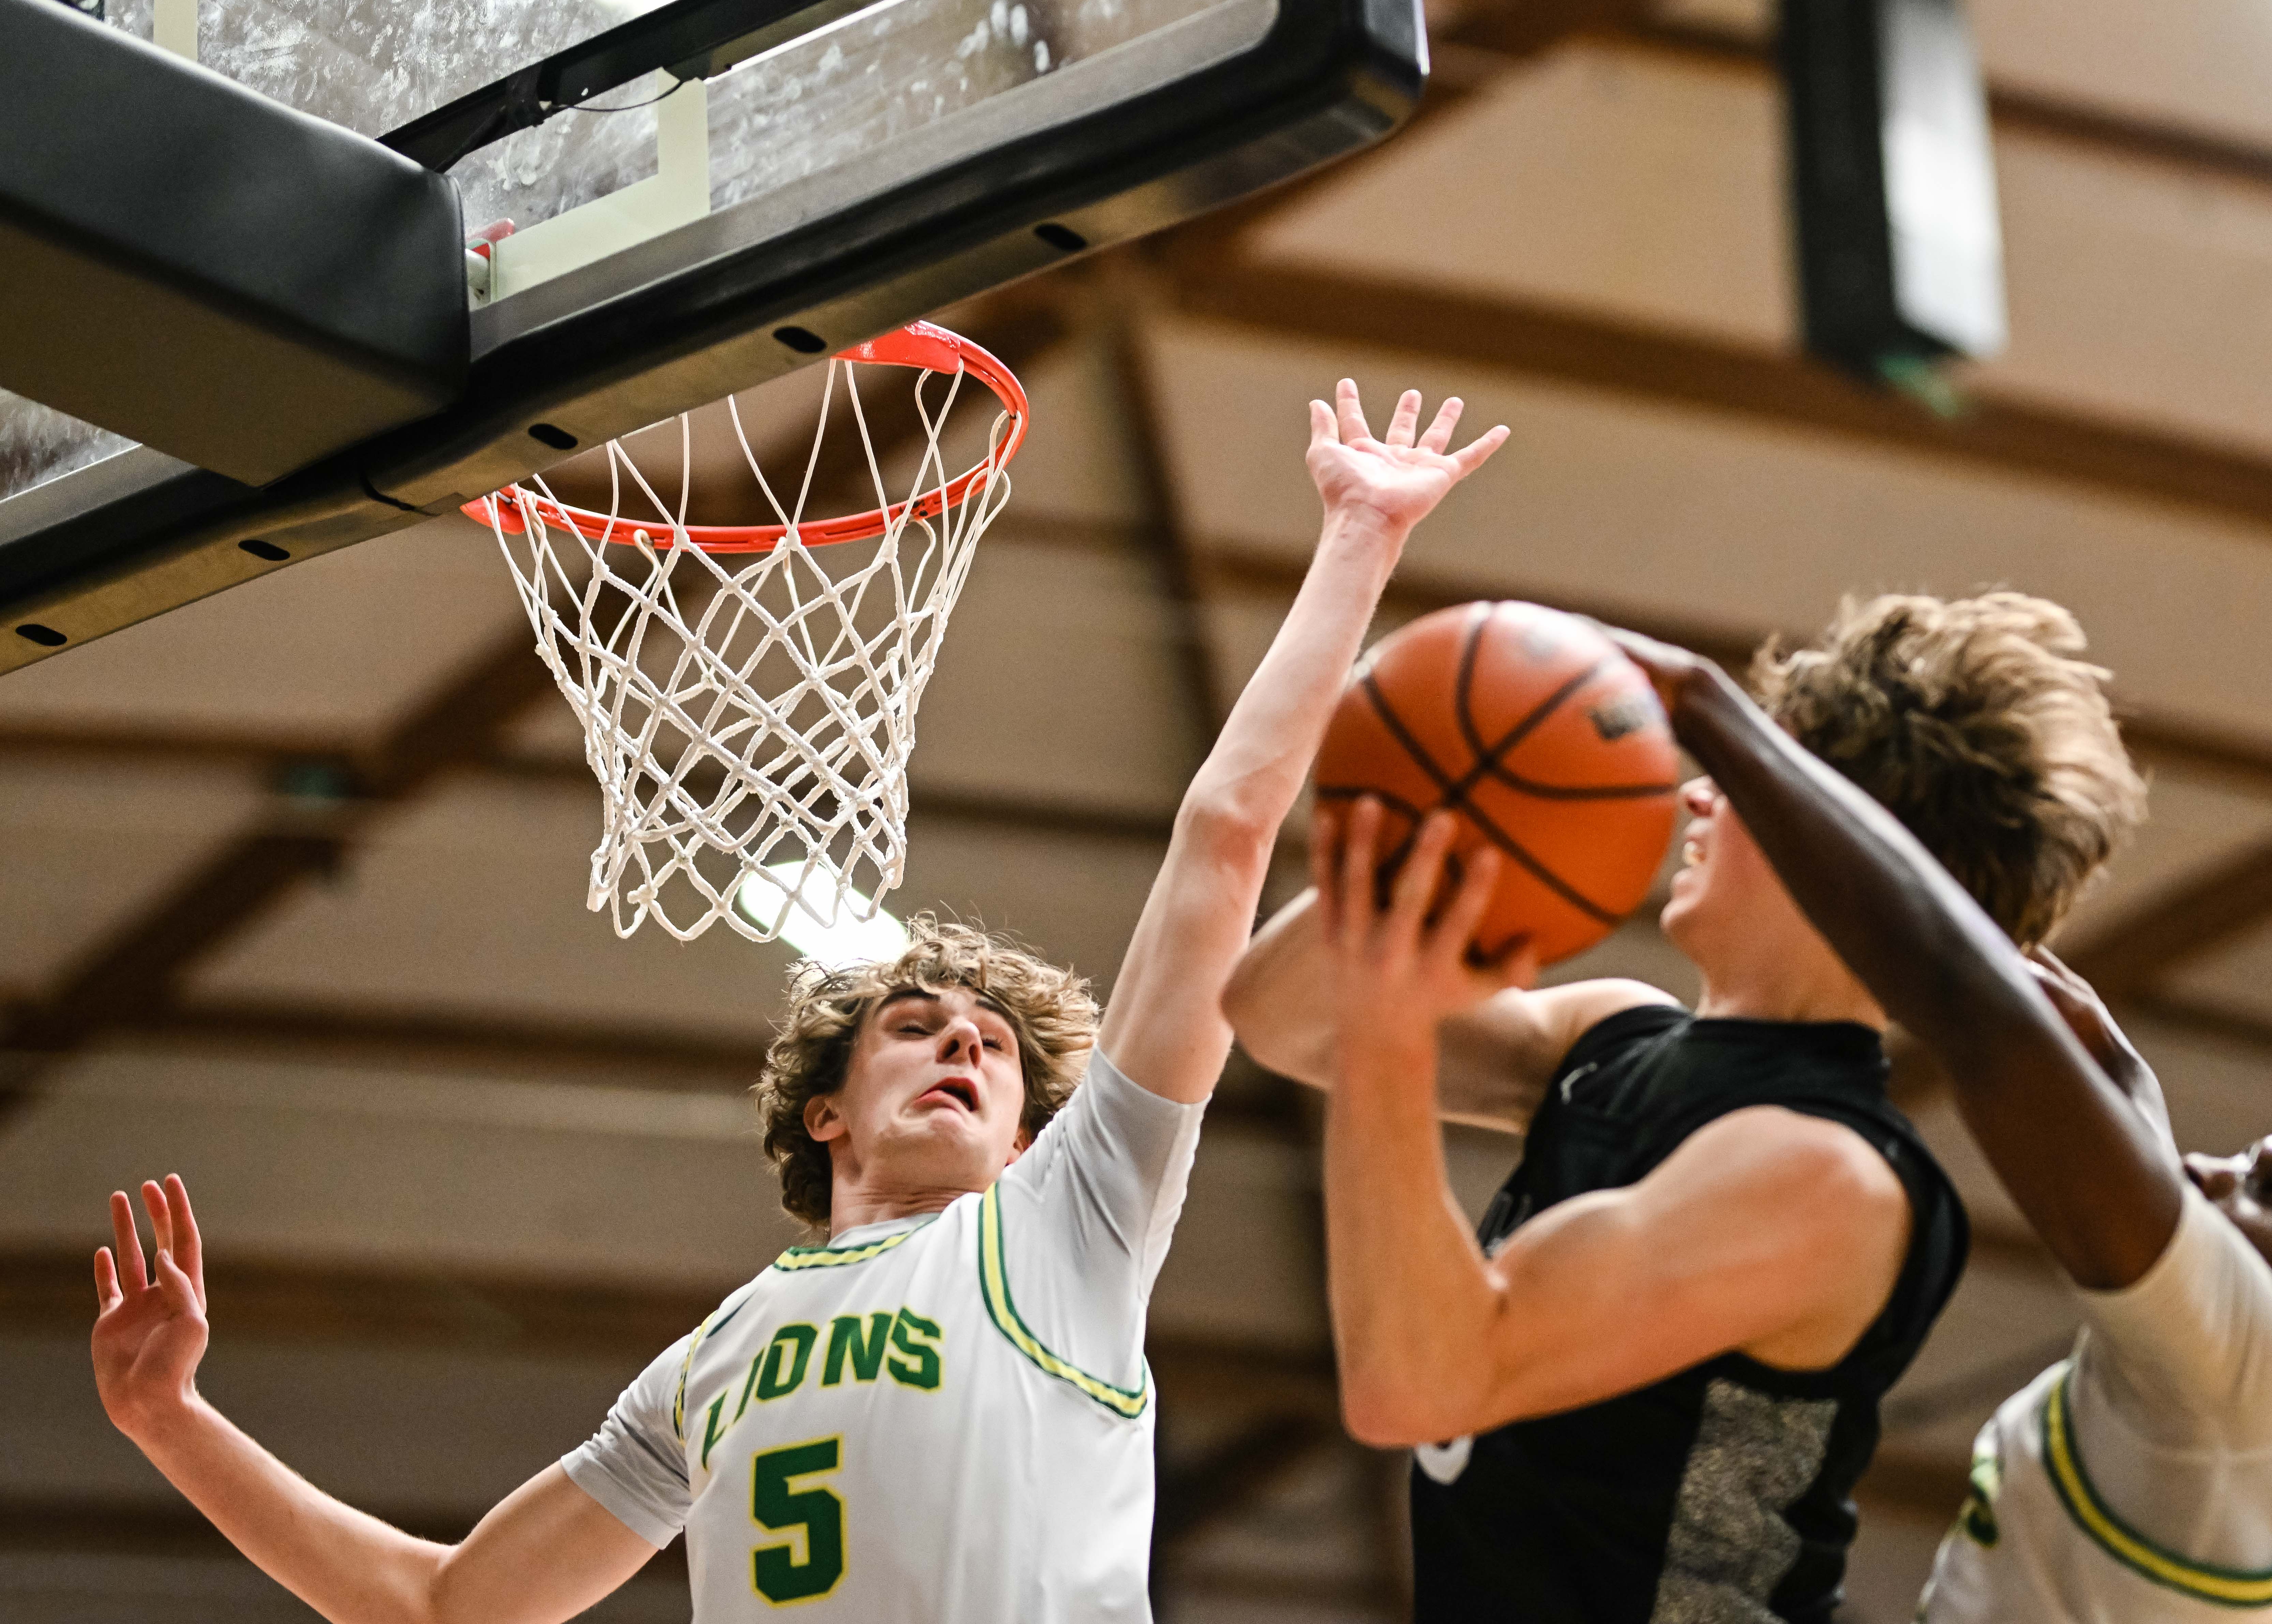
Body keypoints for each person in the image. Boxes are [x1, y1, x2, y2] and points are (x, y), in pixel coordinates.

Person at [85, 378, 1509, 1624]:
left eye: (997, 1048)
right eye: (918, 1024)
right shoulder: (716, 1355)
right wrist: (169, 1419)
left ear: (1027, 1138)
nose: (963, 1038)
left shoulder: (1069, 1221)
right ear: (828, 1108)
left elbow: (1225, 835)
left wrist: (1359, 541)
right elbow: (443, 1601)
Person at [1227, 592, 2147, 1624]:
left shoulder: (1831, 1182)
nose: (1699, 797)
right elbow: (1280, 1018)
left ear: (1834, 856)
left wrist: (1395, 1022)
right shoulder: (1611, 1037)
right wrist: (1420, 819)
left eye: (1752, 778)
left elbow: (1418, 1381)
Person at [1563, 630, 2272, 1619]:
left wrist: (1707, 709)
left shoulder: (2259, 1405)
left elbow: (1983, 1020)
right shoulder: (2240, 1441)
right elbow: (2112, 1100)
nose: (2213, 1171)